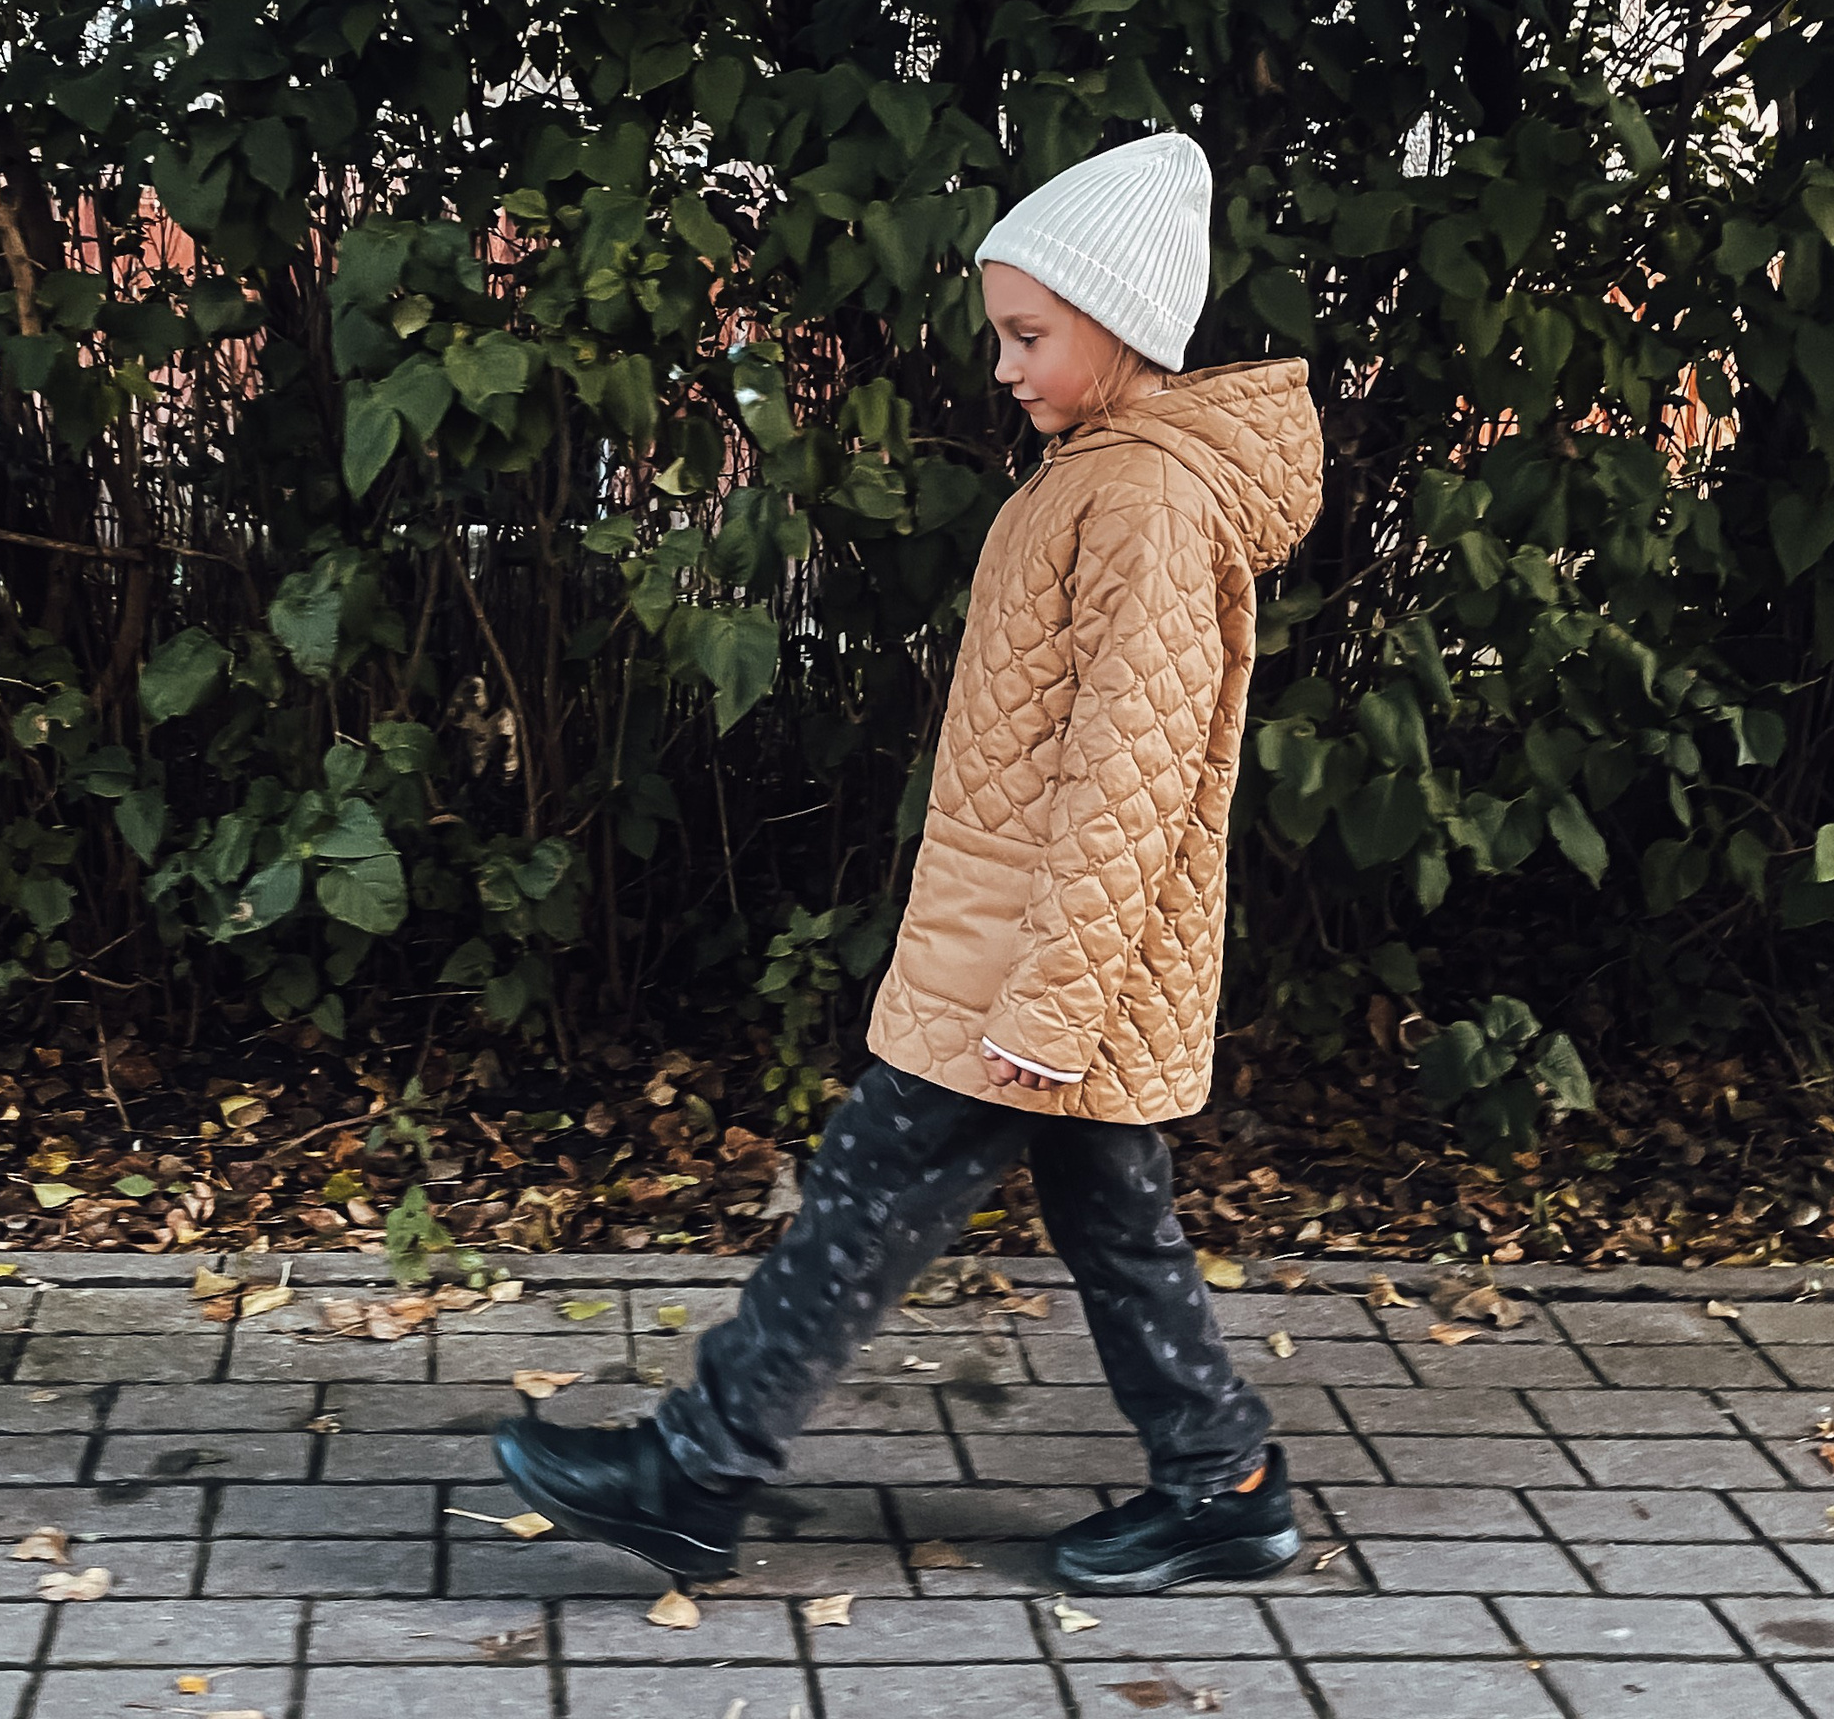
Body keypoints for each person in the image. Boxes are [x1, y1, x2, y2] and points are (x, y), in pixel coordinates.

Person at [494, 130, 1323, 1594]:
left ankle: (697, 1471)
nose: (1003, 366)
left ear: (1118, 324)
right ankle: (1224, 1483)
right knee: (1111, 1219)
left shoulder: (1143, 500)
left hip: (1039, 959)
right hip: (1031, 943)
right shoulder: (1099, 476)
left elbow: (1129, 781)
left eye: (1028, 335)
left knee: (872, 1187)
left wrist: (1053, 1005)